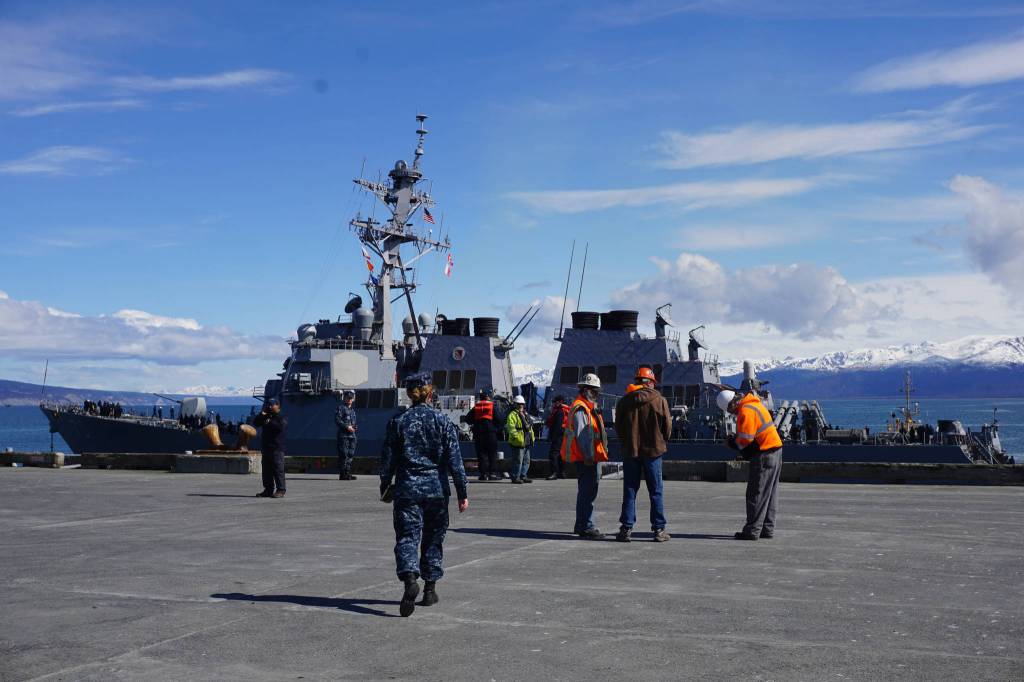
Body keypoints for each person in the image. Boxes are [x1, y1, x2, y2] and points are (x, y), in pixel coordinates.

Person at [380, 372, 469, 617]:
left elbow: (388, 459)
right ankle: (430, 591)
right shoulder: (443, 421)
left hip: (407, 489)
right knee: (433, 539)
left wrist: (385, 484)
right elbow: (455, 461)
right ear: (430, 392)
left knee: (407, 538)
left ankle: (410, 580)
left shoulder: (398, 422)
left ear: (410, 393)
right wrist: (463, 492)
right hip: (437, 491)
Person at [613, 367, 672, 543]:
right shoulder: (659, 400)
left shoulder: (624, 401)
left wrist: (627, 442)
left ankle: (626, 529)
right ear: (651, 383)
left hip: (630, 452)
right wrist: (661, 441)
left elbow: (618, 427)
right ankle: (659, 530)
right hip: (653, 451)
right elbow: (667, 427)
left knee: (630, 490)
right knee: (656, 491)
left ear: (637, 381)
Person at [718, 388, 783, 540]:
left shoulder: (746, 411)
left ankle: (752, 530)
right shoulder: (755, 404)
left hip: (764, 454)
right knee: (770, 492)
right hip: (776, 450)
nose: (731, 413)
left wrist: (732, 442)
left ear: (732, 404)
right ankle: (767, 529)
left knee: (756, 492)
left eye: (729, 409)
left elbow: (746, 439)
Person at [563, 373, 609, 539]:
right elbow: (583, 436)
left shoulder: (585, 407)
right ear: (585, 390)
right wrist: (589, 456)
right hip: (586, 458)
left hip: (587, 458)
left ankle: (580, 524)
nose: (596, 394)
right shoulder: (581, 408)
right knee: (588, 493)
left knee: (585, 492)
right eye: (594, 391)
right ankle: (586, 527)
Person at [253, 398, 287, 498]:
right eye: (268, 405)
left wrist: (269, 421)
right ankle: (268, 490)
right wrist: (262, 414)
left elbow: (280, 427)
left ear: (278, 405)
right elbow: (256, 423)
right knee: (266, 470)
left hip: (277, 448)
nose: (269, 407)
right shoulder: (267, 416)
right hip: (266, 447)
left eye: (272, 405)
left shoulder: (281, 416)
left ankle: (281, 490)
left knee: (278, 469)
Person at [465, 389, 500, 481]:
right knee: (492, 454)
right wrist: (496, 428)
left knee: (481, 454)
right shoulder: (492, 406)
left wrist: (475, 423)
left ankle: (483, 474)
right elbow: (500, 418)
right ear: (488, 397)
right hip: (491, 433)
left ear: (480, 398)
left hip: (479, 434)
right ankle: (493, 474)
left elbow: (467, 419)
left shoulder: (476, 407)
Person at [505, 395, 534, 484]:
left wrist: (532, 437)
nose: (521, 405)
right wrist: (517, 438)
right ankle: (515, 477)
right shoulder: (512, 415)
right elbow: (511, 428)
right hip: (518, 442)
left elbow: (529, 426)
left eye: (522, 404)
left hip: (526, 440)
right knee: (518, 461)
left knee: (526, 460)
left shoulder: (525, 413)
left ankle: (523, 475)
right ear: (515, 404)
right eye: (519, 404)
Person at [335, 390, 358, 480]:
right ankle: (343, 474)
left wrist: (355, 427)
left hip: (352, 436)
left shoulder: (352, 411)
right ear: (344, 398)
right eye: (347, 398)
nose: (349, 400)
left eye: (351, 398)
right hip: (343, 436)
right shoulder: (340, 408)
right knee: (343, 455)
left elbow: (353, 422)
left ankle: (347, 472)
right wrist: (347, 427)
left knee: (350, 455)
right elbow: (338, 420)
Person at [545, 395, 569, 480]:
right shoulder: (564, 410)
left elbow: (557, 426)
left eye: (555, 402)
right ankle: (561, 473)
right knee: (561, 454)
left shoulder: (559, 412)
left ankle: (554, 473)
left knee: (553, 454)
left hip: (558, 436)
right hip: (563, 435)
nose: (554, 403)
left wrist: (553, 437)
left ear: (560, 402)